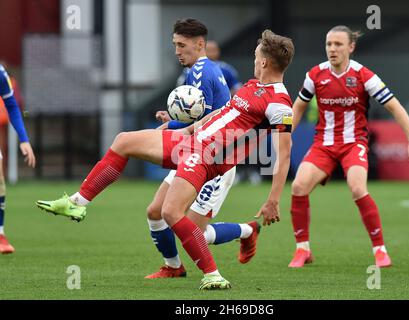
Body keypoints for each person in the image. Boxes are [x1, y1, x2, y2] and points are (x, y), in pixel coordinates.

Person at [36, 29, 295, 290]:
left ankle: (213, 274)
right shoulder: (253, 86)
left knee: (171, 213)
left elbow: (284, 152)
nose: (253, 61)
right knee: (124, 141)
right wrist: (183, 130)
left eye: (255, 56)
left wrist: (273, 200)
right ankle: (77, 202)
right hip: (192, 142)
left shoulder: (280, 104)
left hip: (207, 155)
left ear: (263, 61)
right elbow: (220, 115)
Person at [289, 25, 409, 268]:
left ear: (351, 47)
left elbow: (395, 107)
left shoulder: (364, 76)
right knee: (298, 186)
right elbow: (299, 106)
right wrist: (285, 134)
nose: (332, 49)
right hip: (323, 144)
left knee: (357, 188)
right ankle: (303, 250)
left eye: (338, 44)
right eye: (329, 44)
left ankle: (380, 250)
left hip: (354, 143)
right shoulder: (315, 75)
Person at [145, 19, 260, 280]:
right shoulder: (198, 70)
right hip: (194, 155)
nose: (176, 51)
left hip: (214, 162)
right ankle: (173, 267)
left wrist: (169, 126)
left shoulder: (203, 72)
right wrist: (173, 120)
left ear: (199, 44)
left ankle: (247, 230)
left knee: (193, 233)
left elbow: (205, 122)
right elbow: (202, 116)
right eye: (175, 45)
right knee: (156, 211)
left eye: (181, 45)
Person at [0, 63, 36, 254]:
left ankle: (0, 235)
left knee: (0, 183)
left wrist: (23, 139)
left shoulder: (0, 73)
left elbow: (12, 104)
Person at [176, 40, 242, 96]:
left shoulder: (226, 69)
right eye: (208, 50)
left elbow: (237, 89)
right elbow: (179, 89)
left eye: (214, 50)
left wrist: (222, 96)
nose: (211, 53)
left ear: (218, 52)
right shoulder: (190, 69)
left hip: (221, 107)